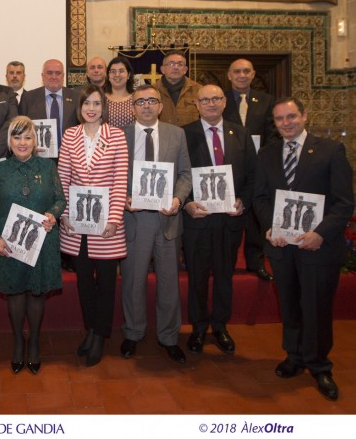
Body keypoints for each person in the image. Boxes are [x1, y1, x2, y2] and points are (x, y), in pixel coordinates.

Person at [252, 97, 354, 401]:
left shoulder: (330, 150)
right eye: (280, 119)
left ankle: (320, 364)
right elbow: (260, 198)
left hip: (317, 248)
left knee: (317, 306)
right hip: (283, 248)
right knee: (291, 304)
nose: (286, 123)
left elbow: (344, 202)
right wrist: (271, 228)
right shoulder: (267, 155)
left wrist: (320, 233)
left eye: (292, 117)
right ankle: (294, 356)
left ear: (304, 116)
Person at [0, 116, 66, 374]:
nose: (22, 142)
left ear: (35, 140)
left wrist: (53, 214)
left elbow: (60, 199)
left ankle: (34, 343)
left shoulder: (48, 166)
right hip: (9, 244)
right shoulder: (0, 169)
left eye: (28, 137)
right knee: (16, 292)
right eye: (17, 137)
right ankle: (19, 341)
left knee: (36, 292)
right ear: (9, 141)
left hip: (42, 241)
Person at [181, 85, 257, 355]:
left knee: (225, 275)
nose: (210, 103)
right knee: (198, 276)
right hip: (197, 219)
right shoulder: (184, 134)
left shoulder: (241, 133)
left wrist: (243, 201)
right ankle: (199, 327)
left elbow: (252, 175)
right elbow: (180, 174)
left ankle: (221, 325)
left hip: (230, 220)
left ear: (224, 102)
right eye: (205, 99)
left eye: (215, 98)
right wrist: (186, 203)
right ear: (197, 104)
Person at [120, 85, 192, 364]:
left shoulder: (177, 134)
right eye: (140, 102)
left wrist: (178, 198)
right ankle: (133, 332)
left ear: (160, 106)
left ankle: (169, 337)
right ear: (133, 107)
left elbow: (186, 174)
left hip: (167, 219)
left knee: (169, 283)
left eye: (152, 101)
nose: (146, 106)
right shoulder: (120, 135)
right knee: (133, 282)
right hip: (134, 219)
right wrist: (123, 198)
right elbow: (114, 174)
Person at [58, 85, 128, 367]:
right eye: (87, 103)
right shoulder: (70, 134)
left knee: (107, 283)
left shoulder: (117, 136)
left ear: (104, 107)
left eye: (97, 103)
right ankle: (90, 330)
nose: (91, 108)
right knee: (85, 284)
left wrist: (114, 219)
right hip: (77, 222)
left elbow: (120, 179)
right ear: (80, 107)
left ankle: (100, 334)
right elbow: (63, 176)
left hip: (106, 223)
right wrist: (63, 213)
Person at [222, 58, 279, 281]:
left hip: (259, 167)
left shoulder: (266, 101)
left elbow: (272, 134)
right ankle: (226, 262)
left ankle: (256, 262)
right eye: (237, 71)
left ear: (253, 74)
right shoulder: (220, 99)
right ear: (229, 75)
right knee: (231, 215)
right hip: (230, 167)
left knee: (256, 216)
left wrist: (263, 160)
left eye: (246, 71)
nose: (242, 75)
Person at [19, 59, 80, 154]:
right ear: (42, 76)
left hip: (70, 155)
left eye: (58, 73)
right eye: (49, 73)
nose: (54, 77)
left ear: (63, 76)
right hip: (39, 156)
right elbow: (21, 128)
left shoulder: (76, 97)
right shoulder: (28, 98)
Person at [154, 50, 200, 126]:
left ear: (185, 70)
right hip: (163, 136)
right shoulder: (153, 91)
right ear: (162, 69)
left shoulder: (198, 90)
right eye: (171, 64)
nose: (176, 67)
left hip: (189, 136)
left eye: (180, 64)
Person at [103, 55, 136, 128]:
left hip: (131, 139)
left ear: (129, 75)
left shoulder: (136, 98)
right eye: (113, 71)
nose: (117, 75)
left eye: (121, 71)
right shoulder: (101, 99)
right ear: (108, 75)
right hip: (106, 139)